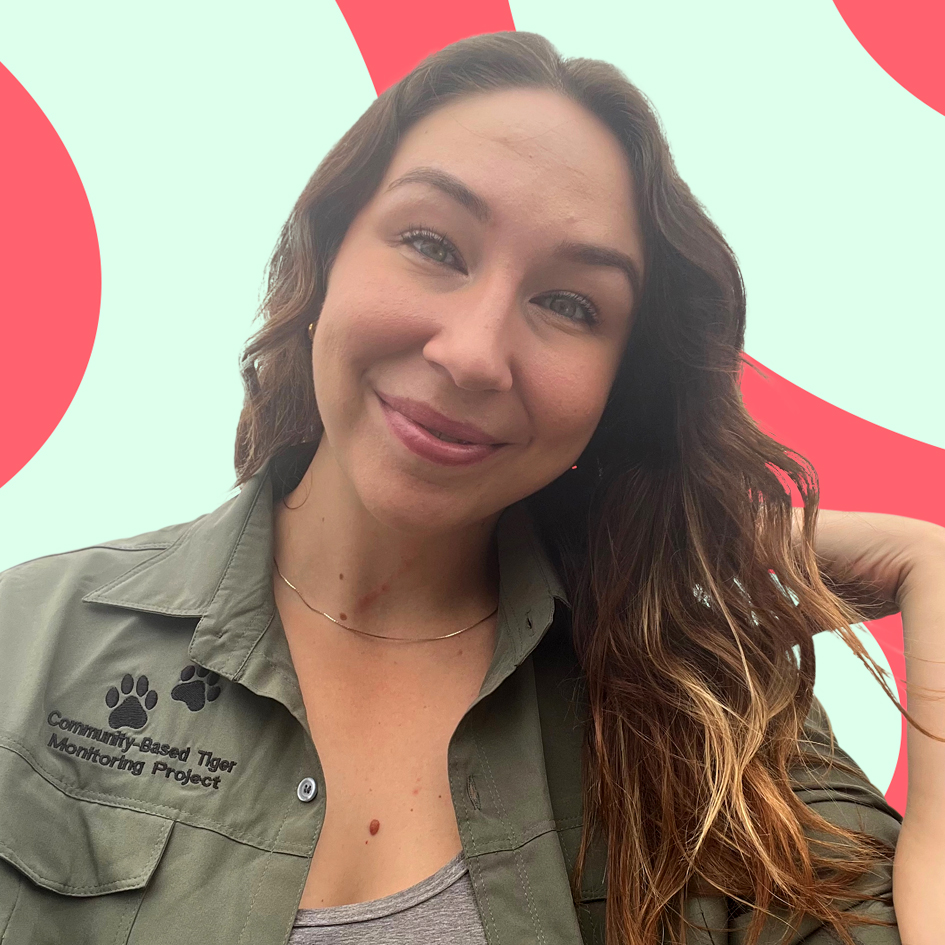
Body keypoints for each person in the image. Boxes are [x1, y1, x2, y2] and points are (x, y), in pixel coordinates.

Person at [0, 30, 942, 945]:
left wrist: (929, 570)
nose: (473, 352)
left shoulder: (705, 707)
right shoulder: (29, 642)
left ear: (621, 387)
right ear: (326, 253)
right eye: (432, 243)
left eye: (569, 304)